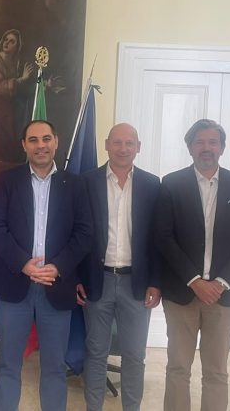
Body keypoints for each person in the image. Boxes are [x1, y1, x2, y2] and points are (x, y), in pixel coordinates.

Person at [0, 119, 92, 411]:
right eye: (33, 140)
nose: (40, 145)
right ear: (24, 145)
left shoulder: (75, 184)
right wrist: (23, 263)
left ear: (56, 142)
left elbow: (84, 233)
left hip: (56, 286)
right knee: (8, 364)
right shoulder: (7, 180)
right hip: (14, 284)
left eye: (46, 139)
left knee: (55, 367)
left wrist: (58, 267)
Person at [155, 118, 230, 411]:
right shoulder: (171, 183)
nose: (206, 148)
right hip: (182, 294)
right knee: (178, 368)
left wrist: (220, 283)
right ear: (190, 148)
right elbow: (163, 237)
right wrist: (194, 280)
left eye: (213, 142)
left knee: (216, 372)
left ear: (222, 148)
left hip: (223, 297)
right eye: (200, 142)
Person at [78, 123, 161, 411]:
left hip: (136, 283)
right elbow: (78, 234)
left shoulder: (152, 184)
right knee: (96, 353)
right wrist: (77, 277)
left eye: (129, 143)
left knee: (134, 355)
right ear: (106, 145)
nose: (123, 149)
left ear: (138, 147)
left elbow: (157, 238)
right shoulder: (87, 182)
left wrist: (156, 281)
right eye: (117, 142)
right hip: (97, 280)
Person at [0, 29, 35, 162]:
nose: (7, 43)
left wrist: (45, 84)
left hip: (3, 103)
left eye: (12, 41)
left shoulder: (15, 63)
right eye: (6, 39)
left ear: (18, 47)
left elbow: (21, 88)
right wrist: (22, 79)